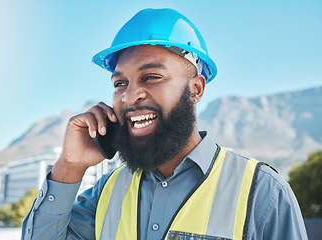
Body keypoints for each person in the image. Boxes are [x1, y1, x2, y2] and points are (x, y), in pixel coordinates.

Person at [21, 8, 308, 240]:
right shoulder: (107, 193)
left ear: (195, 90)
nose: (130, 95)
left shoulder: (263, 193)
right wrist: (70, 166)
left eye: (152, 77)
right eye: (120, 83)